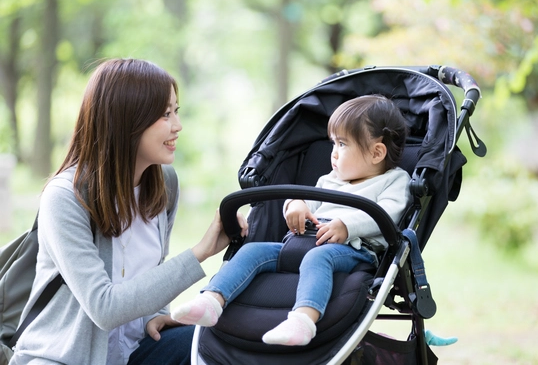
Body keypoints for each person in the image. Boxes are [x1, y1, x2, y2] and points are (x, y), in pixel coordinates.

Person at [9, 58, 247, 365]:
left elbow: (148, 272)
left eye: (176, 111)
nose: (177, 125)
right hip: (63, 359)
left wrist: (158, 316)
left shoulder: (164, 183)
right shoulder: (65, 198)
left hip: (135, 351)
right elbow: (104, 307)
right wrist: (200, 252)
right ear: (127, 120)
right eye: (164, 114)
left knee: (213, 342)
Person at [172, 95, 411, 346]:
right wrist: (295, 205)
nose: (334, 153)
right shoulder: (330, 180)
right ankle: (211, 300)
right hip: (302, 242)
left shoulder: (394, 181)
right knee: (252, 251)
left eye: (342, 144)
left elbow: (388, 214)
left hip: (353, 249)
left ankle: (302, 321)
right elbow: (309, 202)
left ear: (377, 152)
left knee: (318, 257)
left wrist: (347, 226)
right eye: (332, 144)